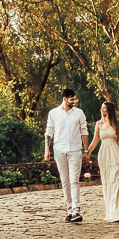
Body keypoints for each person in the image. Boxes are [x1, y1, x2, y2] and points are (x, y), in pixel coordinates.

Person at [43, 88, 89, 223]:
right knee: (65, 180)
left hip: (75, 150)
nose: (74, 101)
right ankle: (69, 210)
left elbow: (84, 131)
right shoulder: (53, 113)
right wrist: (47, 149)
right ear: (64, 99)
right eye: (71, 99)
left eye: (75, 99)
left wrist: (86, 151)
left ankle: (76, 210)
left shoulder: (79, 113)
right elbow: (49, 132)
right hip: (59, 149)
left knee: (74, 180)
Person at [87, 101, 119, 222]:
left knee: (116, 181)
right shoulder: (99, 124)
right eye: (101, 108)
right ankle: (109, 212)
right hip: (103, 154)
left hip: (115, 153)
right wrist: (87, 153)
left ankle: (116, 213)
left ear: (109, 110)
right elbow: (95, 141)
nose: (101, 110)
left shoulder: (118, 124)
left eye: (104, 108)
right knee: (107, 182)